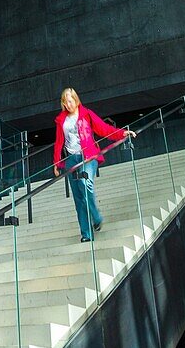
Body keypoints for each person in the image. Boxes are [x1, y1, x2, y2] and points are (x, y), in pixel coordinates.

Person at [53, 87, 137, 242]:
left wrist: (121, 133)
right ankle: (86, 234)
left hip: (88, 156)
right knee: (78, 197)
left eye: (70, 101)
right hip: (71, 159)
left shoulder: (86, 114)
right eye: (65, 103)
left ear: (76, 100)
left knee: (86, 183)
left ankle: (96, 216)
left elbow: (103, 128)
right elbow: (59, 142)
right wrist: (57, 163)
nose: (68, 105)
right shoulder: (61, 120)